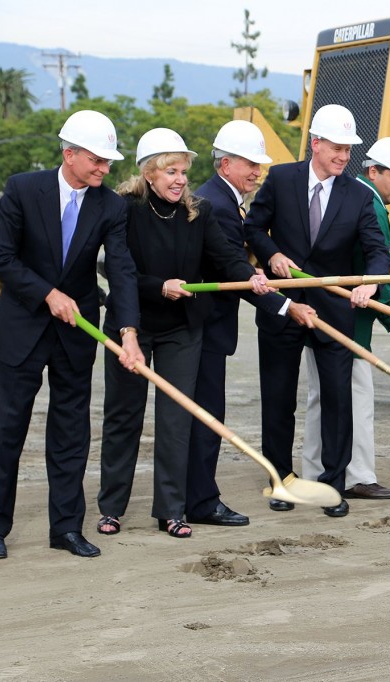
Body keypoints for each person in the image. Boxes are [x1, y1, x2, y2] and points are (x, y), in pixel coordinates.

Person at [0, 110, 144, 560]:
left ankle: (66, 528)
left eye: (109, 162)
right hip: (22, 330)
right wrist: (48, 293)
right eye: (97, 160)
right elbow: (2, 258)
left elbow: (122, 270)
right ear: (69, 154)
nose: (105, 170)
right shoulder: (22, 189)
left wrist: (129, 332)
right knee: (7, 429)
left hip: (76, 334)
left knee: (71, 434)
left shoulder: (110, 205)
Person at [97, 128, 273, 539]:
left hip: (181, 329)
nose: (179, 179)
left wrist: (250, 277)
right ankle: (111, 508)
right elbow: (115, 270)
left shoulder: (199, 211)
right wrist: (159, 286)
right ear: (148, 173)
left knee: (176, 420)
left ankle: (171, 510)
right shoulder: (122, 209)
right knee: (124, 417)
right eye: (170, 171)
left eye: (182, 171)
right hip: (131, 326)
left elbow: (225, 257)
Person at [244, 104, 390, 518]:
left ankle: (332, 486)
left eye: (349, 150)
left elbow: (378, 250)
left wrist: (371, 282)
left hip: (332, 313)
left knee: (337, 401)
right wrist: (271, 255)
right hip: (284, 306)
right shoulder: (282, 179)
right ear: (316, 144)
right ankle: (281, 481)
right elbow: (253, 227)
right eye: (337, 148)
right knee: (278, 399)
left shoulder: (359, 195)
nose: (344, 157)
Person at [186, 120, 291, 528]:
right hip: (207, 329)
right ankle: (201, 502)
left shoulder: (220, 199)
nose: (257, 172)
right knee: (208, 417)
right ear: (225, 163)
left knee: (202, 416)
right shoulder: (216, 205)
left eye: (260, 165)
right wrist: (283, 306)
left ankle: (189, 497)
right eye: (250, 164)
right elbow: (234, 272)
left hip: (204, 329)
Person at [302, 138, 390, 502]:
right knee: (357, 399)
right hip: (352, 324)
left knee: (321, 397)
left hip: (319, 315)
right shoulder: (371, 204)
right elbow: (376, 267)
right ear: (373, 171)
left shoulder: (341, 192)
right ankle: (359, 474)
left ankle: (314, 471)